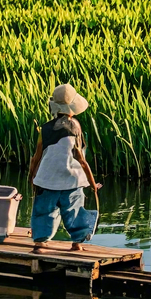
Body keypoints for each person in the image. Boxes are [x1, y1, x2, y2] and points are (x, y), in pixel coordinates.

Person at [28, 83, 101, 253]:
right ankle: (77, 243)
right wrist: (92, 183)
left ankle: (40, 243)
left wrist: (32, 177)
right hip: (72, 179)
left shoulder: (45, 128)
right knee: (74, 210)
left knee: (44, 211)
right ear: (72, 107)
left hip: (47, 179)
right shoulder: (75, 126)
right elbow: (81, 159)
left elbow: (36, 158)